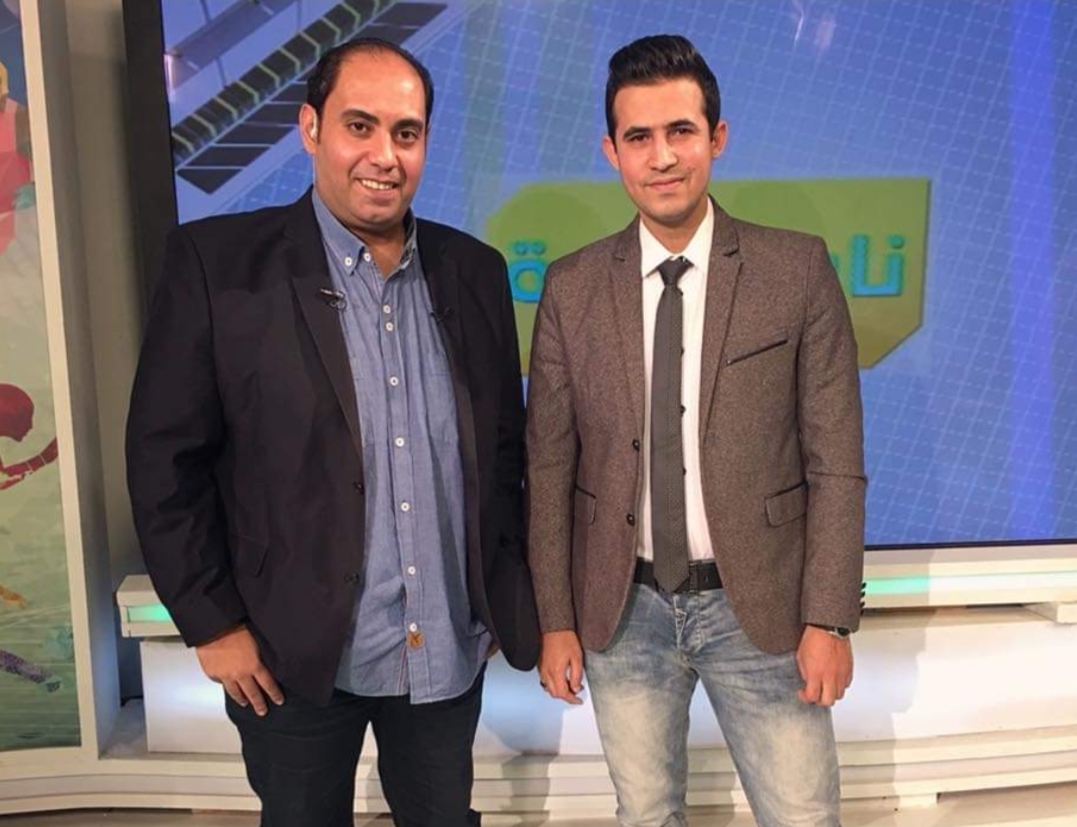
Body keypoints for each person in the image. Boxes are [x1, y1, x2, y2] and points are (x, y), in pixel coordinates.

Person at [126, 37, 538, 827]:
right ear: (309, 127)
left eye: (406, 133)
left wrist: (496, 594)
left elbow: (502, 453)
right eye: (359, 126)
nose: (384, 155)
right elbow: (162, 461)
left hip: (443, 648)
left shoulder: (475, 271)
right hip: (285, 654)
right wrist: (213, 623)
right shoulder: (217, 264)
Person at [526, 34, 866, 827]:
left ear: (716, 136)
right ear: (611, 151)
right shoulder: (572, 287)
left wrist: (828, 616)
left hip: (765, 606)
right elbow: (547, 469)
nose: (661, 156)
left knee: (803, 817)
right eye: (638, 136)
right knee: (644, 814)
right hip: (622, 609)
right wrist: (554, 619)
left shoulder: (795, 269)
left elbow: (836, 460)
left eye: (680, 131)